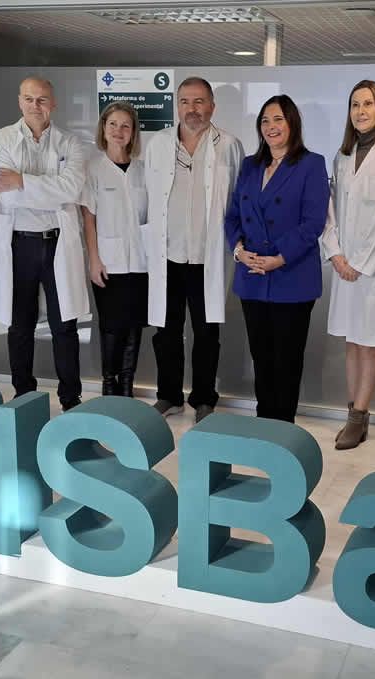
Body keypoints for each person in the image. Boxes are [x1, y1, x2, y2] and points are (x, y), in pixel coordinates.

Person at [142, 77, 243, 423]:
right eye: (185, 101)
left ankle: (203, 398)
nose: (192, 109)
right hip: (168, 255)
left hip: (207, 256)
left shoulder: (229, 145)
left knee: (206, 332)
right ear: (177, 105)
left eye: (199, 101)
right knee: (166, 332)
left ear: (212, 106)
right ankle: (169, 396)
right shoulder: (158, 144)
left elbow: (238, 200)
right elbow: (149, 195)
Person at [226, 95, 330, 424]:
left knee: (287, 360)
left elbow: (313, 223)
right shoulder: (249, 165)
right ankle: (263, 424)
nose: (271, 127)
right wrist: (239, 251)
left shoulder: (311, 164)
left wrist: (278, 258)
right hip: (252, 275)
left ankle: (283, 428)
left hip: (291, 276)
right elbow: (233, 216)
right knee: (261, 357)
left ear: (292, 123)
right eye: (265, 121)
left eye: (278, 120)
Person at [0, 77, 89, 412]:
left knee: (65, 325)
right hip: (19, 244)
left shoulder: (71, 143)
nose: (36, 105)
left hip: (57, 242)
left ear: (53, 104)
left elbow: (71, 189)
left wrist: (22, 181)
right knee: (20, 325)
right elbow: (6, 194)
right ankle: (24, 395)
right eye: (29, 99)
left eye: (42, 99)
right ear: (20, 101)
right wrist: (48, 189)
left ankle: (70, 398)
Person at [319, 79, 375, 450]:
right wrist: (336, 253)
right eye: (355, 104)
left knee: (369, 342)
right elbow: (330, 209)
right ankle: (352, 410)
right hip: (344, 264)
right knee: (352, 340)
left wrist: (360, 262)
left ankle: (360, 416)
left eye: (368, 104)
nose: (361, 111)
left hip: (373, 267)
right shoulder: (343, 155)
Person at [81, 102, 149, 396]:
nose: (119, 131)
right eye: (113, 124)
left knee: (134, 326)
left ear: (133, 132)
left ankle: (127, 387)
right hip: (108, 262)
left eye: (125, 126)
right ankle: (109, 387)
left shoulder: (143, 170)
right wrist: (94, 260)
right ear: (103, 129)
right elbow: (88, 218)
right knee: (111, 326)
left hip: (141, 262)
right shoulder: (93, 168)